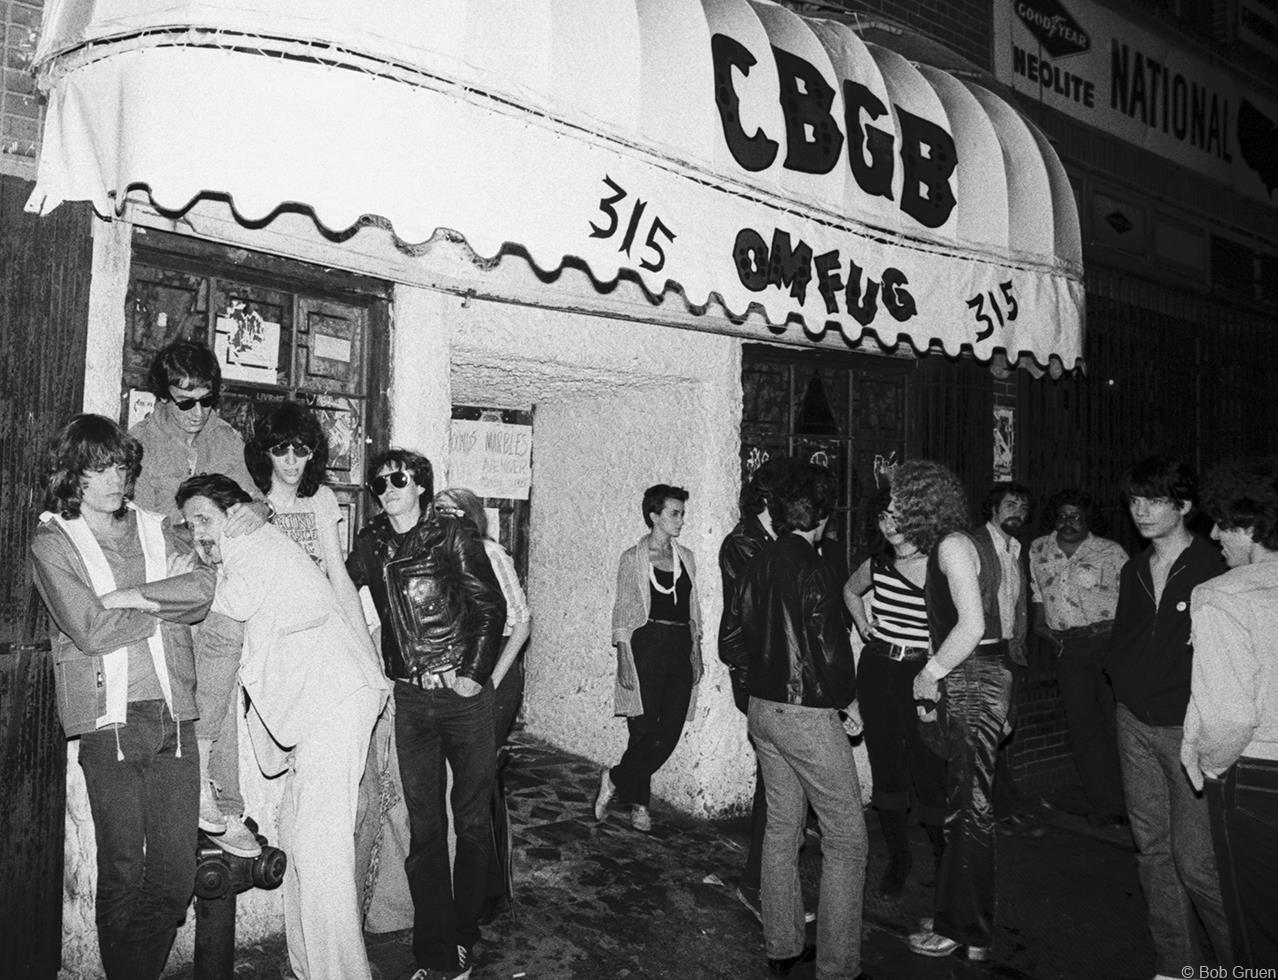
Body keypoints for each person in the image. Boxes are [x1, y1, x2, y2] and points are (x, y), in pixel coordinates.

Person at [107, 473, 389, 980]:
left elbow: (224, 604)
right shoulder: (249, 546)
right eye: (190, 525)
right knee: (304, 842)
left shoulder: (253, 542)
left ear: (235, 513)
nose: (198, 533)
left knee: (321, 851)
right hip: (320, 708)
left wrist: (138, 592)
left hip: (336, 702)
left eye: (204, 519)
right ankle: (310, 969)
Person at [29, 414, 215, 980]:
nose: (114, 478)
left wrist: (125, 597)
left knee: (176, 875)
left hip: (174, 717)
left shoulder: (159, 527)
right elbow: (87, 628)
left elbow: (204, 592)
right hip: (110, 723)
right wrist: (161, 604)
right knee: (122, 872)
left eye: (120, 466)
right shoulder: (52, 541)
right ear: (73, 475)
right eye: (98, 468)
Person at [346, 449, 507, 980]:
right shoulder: (370, 545)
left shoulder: (452, 535)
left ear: (420, 486)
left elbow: (490, 607)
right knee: (425, 830)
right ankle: (437, 953)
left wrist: (472, 674)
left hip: (464, 700)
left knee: (473, 822)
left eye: (398, 478)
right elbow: (344, 594)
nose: (387, 487)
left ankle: (463, 932)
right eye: (379, 482)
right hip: (412, 700)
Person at [130, 338, 267, 857]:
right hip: (169, 574)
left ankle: (213, 795)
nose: (197, 413)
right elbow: (131, 518)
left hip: (214, 573)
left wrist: (258, 511)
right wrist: (170, 548)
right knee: (210, 667)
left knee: (220, 673)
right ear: (163, 395)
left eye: (206, 400)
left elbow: (253, 499)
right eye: (184, 400)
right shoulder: (140, 438)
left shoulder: (225, 436)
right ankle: (220, 802)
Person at [737, 463, 870, 980]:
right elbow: (833, 654)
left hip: (762, 710)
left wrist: (762, 683)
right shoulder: (816, 568)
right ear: (821, 519)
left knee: (781, 829)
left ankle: (783, 947)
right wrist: (848, 703)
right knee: (846, 839)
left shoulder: (755, 562)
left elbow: (732, 642)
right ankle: (839, 967)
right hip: (807, 715)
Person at [1106, 455, 1231, 977]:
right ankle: (1178, 964)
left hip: (1190, 727)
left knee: (1199, 864)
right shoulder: (1134, 568)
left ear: (1183, 505)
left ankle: (1243, 964)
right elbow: (1127, 638)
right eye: (1135, 500)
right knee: (1152, 850)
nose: (1142, 511)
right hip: (1133, 720)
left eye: (1155, 500)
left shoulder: (1214, 569)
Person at [895, 460, 1008, 961]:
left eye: (899, 500)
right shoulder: (956, 544)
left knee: (969, 809)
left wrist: (928, 674)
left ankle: (967, 930)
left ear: (921, 501)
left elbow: (973, 627)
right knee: (964, 806)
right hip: (976, 677)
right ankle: (959, 917)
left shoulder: (954, 546)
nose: (892, 509)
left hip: (971, 677)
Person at [1181, 458, 1278, 968]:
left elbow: (1229, 719)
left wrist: (1214, 767)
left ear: (1253, 527)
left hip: (1258, 775)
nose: (1216, 534)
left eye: (1225, 523)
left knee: (1257, 928)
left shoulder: (1221, 595)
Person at [718, 456, 815, 923]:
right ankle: (758, 885)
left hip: (784, 675)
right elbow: (751, 622)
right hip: (761, 676)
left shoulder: (775, 539)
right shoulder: (745, 544)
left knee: (778, 785)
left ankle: (769, 884)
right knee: (774, 787)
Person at [433, 486, 531, 922]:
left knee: (480, 777)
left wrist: (493, 677)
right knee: (462, 778)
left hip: (495, 672)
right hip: (459, 675)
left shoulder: (491, 554)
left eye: (454, 512)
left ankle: (489, 892)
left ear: (472, 517)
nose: (445, 517)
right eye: (437, 511)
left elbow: (522, 622)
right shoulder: (432, 555)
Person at [843, 487, 946, 900]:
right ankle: (898, 859)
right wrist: (864, 623)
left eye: (898, 516)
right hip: (879, 669)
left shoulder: (940, 565)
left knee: (929, 766)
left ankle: (945, 859)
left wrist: (938, 672)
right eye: (883, 516)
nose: (890, 525)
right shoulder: (878, 563)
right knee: (886, 766)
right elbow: (850, 591)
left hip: (922, 673)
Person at [595, 484, 704, 834]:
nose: (680, 520)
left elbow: (692, 610)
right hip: (646, 645)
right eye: (674, 513)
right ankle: (640, 804)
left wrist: (696, 650)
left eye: (682, 514)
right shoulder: (633, 558)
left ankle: (615, 778)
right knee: (642, 730)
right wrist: (625, 658)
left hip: (678, 645)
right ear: (654, 516)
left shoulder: (686, 556)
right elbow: (623, 612)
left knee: (669, 730)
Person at [245, 400, 376, 659]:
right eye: (281, 449)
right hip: (272, 637)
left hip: (319, 631)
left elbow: (339, 578)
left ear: (312, 453)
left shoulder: (321, 498)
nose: (291, 461)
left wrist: (369, 653)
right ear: (266, 453)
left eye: (301, 450)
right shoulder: (253, 506)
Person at [1029, 488, 1128, 827]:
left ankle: (1138, 803)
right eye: (1062, 515)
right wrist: (1041, 626)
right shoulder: (1039, 548)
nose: (1068, 522)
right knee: (1084, 730)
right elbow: (1036, 591)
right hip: (1068, 649)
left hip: (1107, 644)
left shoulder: (1110, 552)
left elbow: (1132, 600)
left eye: (1076, 516)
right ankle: (1107, 806)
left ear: (1089, 520)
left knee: (1119, 726)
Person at [974, 482, 1042, 840]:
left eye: (1023, 506)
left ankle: (1001, 804)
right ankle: (992, 811)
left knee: (1000, 730)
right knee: (984, 734)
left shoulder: (1015, 549)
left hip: (1005, 651)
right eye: (1010, 503)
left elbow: (1017, 604)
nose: (1018, 511)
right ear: (993, 508)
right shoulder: (974, 545)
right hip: (979, 652)